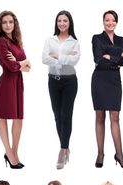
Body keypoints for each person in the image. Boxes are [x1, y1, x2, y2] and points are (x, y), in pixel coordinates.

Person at [0, 11, 31, 169]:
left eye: (11, 22)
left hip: (18, 83)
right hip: (7, 83)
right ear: (0, 25)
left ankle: (13, 152)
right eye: (5, 22)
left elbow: (28, 68)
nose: (8, 25)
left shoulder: (16, 42)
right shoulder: (1, 42)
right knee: (3, 118)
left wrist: (21, 63)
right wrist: (22, 63)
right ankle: (9, 152)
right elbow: (11, 66)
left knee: (18, 118)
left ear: (15, 25)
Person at [91, 10, 123, 169]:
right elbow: (98, 59)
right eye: (107, 20)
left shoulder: (122, 39)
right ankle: (100, 154)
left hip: (114, 80)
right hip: (99, 79)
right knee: (100, 116)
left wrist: (109, 55)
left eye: (113, 20)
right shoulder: (97, 38)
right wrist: (117, 57)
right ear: (103, 22)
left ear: (116, 22)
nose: (110, 23)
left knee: (115, 117)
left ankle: (120, 155)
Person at [42, 10, 80, 169]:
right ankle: (65, 147)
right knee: (57, 116)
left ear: (69, 23)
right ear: (56, 23)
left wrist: (56, 58)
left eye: (65, 21)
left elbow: (75, 60)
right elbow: (44, 58)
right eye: (59, 21)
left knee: (66, 115)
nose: (62, 23)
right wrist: (63, 59)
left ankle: (62, 150)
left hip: (69, 82)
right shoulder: (50, 40)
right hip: (53, 81)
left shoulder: (74, 42)